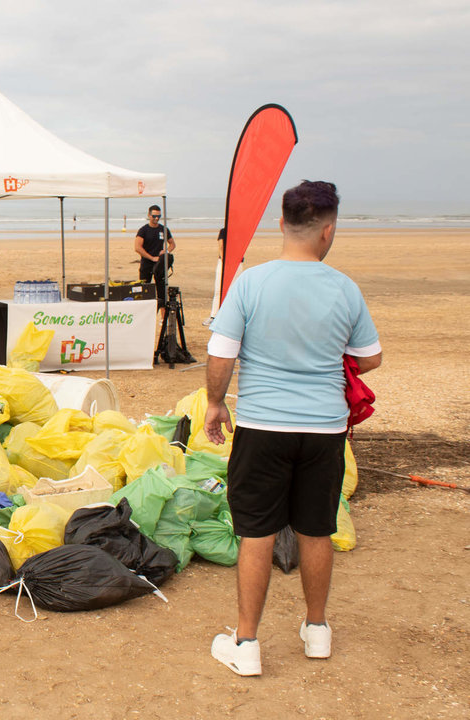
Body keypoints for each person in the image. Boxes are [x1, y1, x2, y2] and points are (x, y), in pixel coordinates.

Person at [204, 180, 381, 677]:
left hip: (263, 425)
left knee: (256, 532)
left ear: (281, 223)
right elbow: (371, 357)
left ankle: (246, 644)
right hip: (323, 430)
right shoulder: (343, 287)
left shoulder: (252, 282)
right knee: (316, 529)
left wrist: (216, 403)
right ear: (328, 231)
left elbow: (222, 353)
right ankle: (317, 631)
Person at [134, 205, 175, 307]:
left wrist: (166, 251)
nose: (156, 218)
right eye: (154, 216)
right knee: (144, 291)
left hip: (159, 265)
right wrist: (151, 258)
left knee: (162, 293)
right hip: (146, 264)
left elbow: (173, 244)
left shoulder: (163, 229)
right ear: (149, 215)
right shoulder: (143, 230)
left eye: (158, 216)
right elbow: (137, 247)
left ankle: (163, 318)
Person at [205, 228, 243, 327]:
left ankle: (234, 317)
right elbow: (221, 246)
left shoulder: (240, 230)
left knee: (235, 289)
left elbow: (241, 246)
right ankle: (214, 315)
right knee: (219, 289)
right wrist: (224, 260)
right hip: (224, 263)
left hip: (237, 262)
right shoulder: (224, 231)